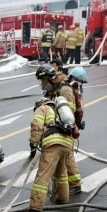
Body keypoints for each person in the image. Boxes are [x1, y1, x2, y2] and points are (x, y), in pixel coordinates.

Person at [35, 64, 83, 195]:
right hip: (56, 127)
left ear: (50, 78)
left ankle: (75, 184)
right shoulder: (52, 90)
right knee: (65, 157)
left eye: (43, 81)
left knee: (67, 156)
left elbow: (70, 110)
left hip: (65, 127)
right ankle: (68, 184)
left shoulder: (64, 89)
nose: (42, 84)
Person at [26, 96, 75, 212]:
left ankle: (35, 206)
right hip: (67, 144)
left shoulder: (42, 108)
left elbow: (37, 125)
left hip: (52, 144)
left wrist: (33, 143)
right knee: (61, 172)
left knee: (43, 175)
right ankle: (63, 198)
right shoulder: (59, 110)